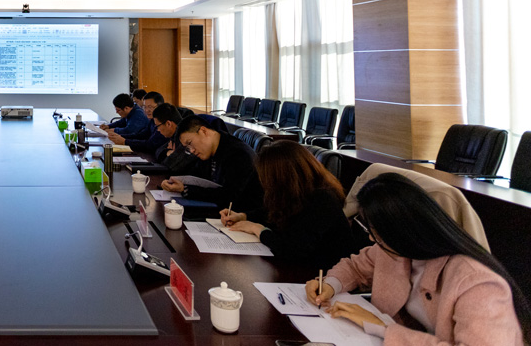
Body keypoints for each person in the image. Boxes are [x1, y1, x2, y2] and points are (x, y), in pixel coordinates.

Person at [304, 173, 529, 346]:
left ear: (404, 231)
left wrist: (383, 328)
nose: (372, 238)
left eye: (377, 233)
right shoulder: (396, 251)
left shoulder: (477, 283)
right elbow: (355, 267)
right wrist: (330, 285)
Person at [219, 139, 354, 268]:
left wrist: (258, 229)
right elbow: (274, 213)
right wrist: (243, 216)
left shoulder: (323, 200)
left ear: (284, 177)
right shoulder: (298, 192)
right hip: (301, 267)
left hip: (323, 274)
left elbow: (292, 249)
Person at [159, 114, 263, 213]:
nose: (191, 150)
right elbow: (195, 175)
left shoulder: (238, 154)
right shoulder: (208, 151)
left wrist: (185, 189)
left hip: (239, 217)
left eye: (190, 143)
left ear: (204, 131)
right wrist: (174, 183)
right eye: (187, 147)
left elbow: (228, 196)